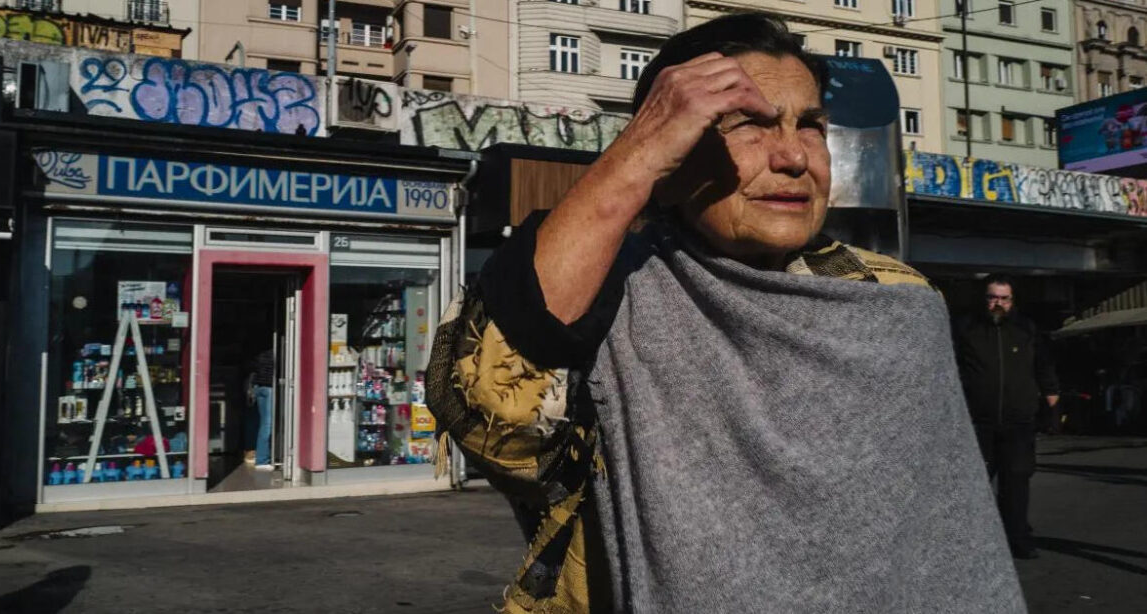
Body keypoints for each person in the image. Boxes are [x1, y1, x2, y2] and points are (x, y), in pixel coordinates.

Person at [427, 13, 1024, 613]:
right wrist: (634, 156)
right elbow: (495, 425)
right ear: (671, 149)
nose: (793, 156)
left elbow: (949, 537)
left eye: (811, 126)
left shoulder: (896, 301)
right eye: (750, 125)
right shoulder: (605, 292)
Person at [954, 274, 1060, 560]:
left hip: (1019, 423)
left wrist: (1052, 404)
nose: (997, 303)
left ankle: (1018, 539)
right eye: (992, 297)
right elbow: (949, 367)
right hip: (977, 422)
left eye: (1004, 298)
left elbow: (1043, 367)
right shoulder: (966, 328)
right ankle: (970, 542)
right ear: (984, 299)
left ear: (1013, 301)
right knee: (973, 484)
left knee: (1016, 483)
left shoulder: (1027, 329)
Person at [250, 347, 275, 471]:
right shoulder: (274, 352)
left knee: (263, 423)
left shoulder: (258, 353)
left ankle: (261, 457)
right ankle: (262, 460)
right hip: (269, 388)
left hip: (258, 387)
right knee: (267, 425)